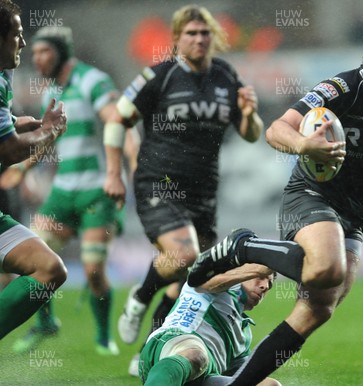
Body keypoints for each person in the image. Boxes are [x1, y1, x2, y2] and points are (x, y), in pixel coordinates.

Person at [188, 20, 363, 385]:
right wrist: (305, 145)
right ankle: (243, 247)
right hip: (309, 197)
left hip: (352, 215)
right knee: (328, 269)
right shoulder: (341, 88)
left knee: (320, 307)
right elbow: (277, 129)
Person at [102, 4, 264, 367]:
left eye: (205, 33)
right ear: (176, 39)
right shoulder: (159, 76)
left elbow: (251, 135)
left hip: (203, 191)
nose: (199, 39)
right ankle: (140, 298)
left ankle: (151, 346)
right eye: (191, 33)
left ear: (214, 37)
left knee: (191, 279)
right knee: (186, 255)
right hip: (158, 182)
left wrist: (251, 114)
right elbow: (117, 121)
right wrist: (113, 173)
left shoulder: (226, 76)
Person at [7, 25, 139, 355]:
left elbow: (117, 121)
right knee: (36, 256)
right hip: (63, 191)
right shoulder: (52, 91)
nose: (36, 59)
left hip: (97, 190)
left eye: (44, 52)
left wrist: (126, 169)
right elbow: (47, 138)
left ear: (62, 52)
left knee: (94, 269)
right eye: (33, 52)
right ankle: (46, 322)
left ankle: (103, 336)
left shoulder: (93, 80)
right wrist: (22, 170)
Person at [0, 0, 68, 340]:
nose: (23, 44)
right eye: (17, 35)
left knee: (49, 268)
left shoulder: (3, 74)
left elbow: (6, 126)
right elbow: (8, 150)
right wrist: (48, 133)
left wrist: (35, 125)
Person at [139, 265, 279, 386]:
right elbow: (201, 277)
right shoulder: (215, 286)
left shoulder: (244, 334)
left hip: (201, 377)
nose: (265, 286)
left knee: (271, 385)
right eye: (260, 276)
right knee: (196, 355)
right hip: (168, 347)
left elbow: (243, 376)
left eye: (269, 284)